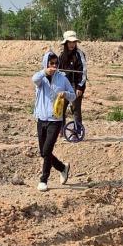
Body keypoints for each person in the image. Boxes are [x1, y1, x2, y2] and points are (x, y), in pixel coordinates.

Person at [31, 52, 78, 192]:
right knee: (43, 152)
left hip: (55, 119)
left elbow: (73, 95)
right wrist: (44, 72)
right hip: (41, 118)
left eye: (56, 64)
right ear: (46, 64)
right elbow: (34, 79)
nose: (54, 66)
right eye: (51, 63)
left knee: (47, 150)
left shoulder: (62, 78)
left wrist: (66, 94)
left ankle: (43, 180)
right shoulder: (41, 78)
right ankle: (62, 167)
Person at [42, 30, 86, 126]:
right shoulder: (62, 55)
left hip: (75, 85)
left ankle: (77, 131)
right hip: (63, 85)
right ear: (66, 43)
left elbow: (83, 72)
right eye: (69, 42)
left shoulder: (79, 54)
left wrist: (80, 87)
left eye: (73, 42)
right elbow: (56, 69)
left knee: (76, 109)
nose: (72, 44)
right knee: (61, 107)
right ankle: (60, 130)